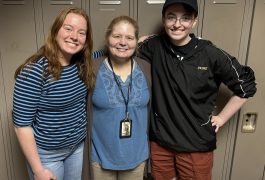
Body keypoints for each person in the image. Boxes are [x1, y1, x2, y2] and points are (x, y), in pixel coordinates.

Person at [137, 0, 257, 179]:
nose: (177, 24)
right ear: (164, 21)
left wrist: (222, 118)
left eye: (185, 18)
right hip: (161, 143)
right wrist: (139, 39)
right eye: (171, 18)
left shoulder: (210, 53)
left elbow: (246, 85)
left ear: (194, 22)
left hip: (196, 145)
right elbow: (123, 47)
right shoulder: (154, 46)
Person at [12, 7, 94, 180]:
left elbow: (111, 50)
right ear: (56, 30)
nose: (74, 36)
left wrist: (138, 40)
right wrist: (38, 170)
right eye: (68, 28)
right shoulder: (34, 71)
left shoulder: (83, 63)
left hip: (76, 148)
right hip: (47, 155)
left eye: (81, 32)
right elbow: (22, 126)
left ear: (86, 39)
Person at [87, 16, 151, 180]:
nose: (123, 42)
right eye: (117, 36)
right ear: (107, 39)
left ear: (137, 42)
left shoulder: (146, 68)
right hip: (100, 159)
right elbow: (76, 55)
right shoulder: (92, 68)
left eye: (130, 38)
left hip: (136, 158)